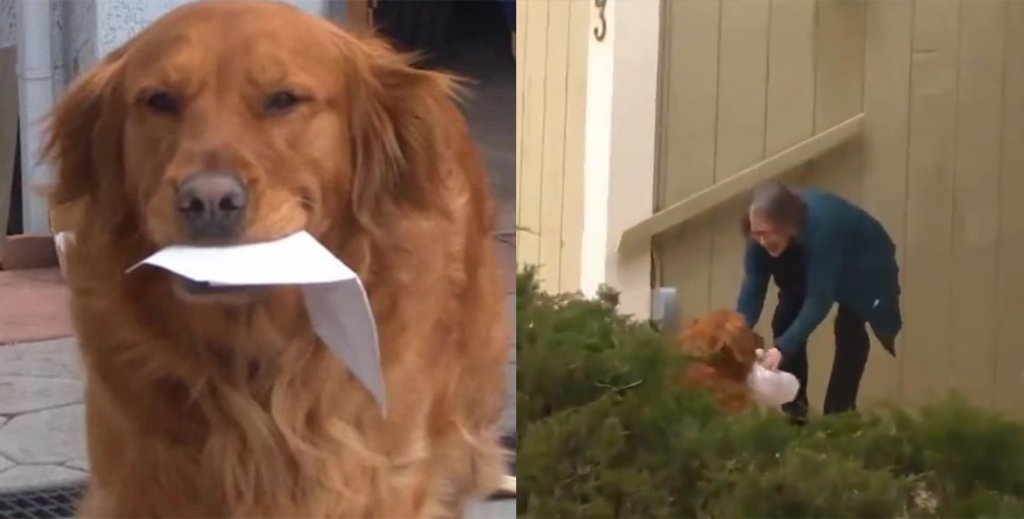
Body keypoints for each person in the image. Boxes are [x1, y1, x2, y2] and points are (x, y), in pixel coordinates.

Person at [735, 181, 902, 421]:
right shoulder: (761, 235)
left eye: (765, 233)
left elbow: (819, 298)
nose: (760, 241)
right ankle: (795, 414)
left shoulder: (824, 227)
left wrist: (782, 348)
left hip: (862, 261)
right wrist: (738, 332)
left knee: (849, 330)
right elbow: (753, 284)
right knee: (784, 319)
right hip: (802, 250)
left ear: (787, 225)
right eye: (755, 234)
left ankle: (838, 416)